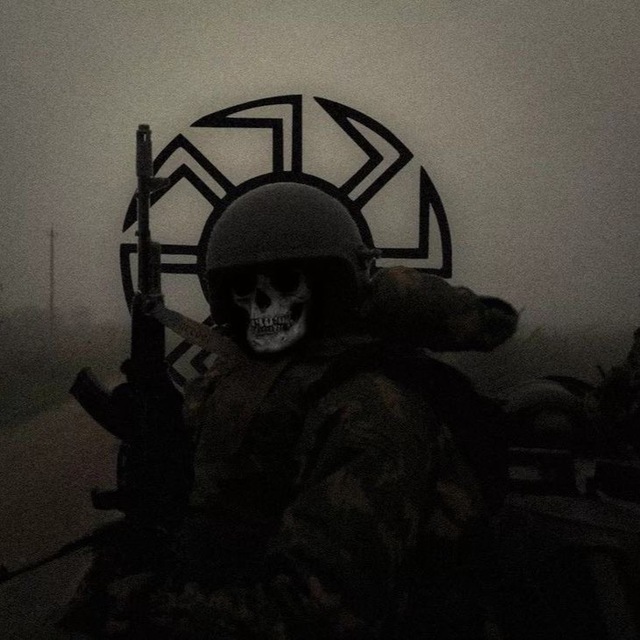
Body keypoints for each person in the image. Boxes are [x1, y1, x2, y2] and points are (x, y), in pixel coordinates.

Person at [60, 181, 517, 639]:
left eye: (284, 284)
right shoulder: (256, 376)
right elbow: (234, 503)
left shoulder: (371, 405)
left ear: (330, 289)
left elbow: (321, 613)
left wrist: (143, 606)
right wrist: (169, 450)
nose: (262, 304)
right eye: (243, 287)